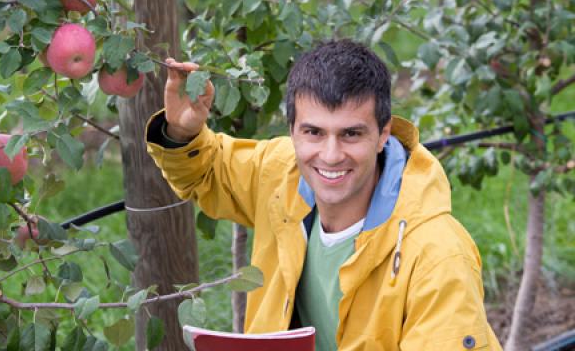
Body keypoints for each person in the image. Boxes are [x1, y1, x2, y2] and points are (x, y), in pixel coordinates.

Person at [145, 39, 502, 350]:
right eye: (314, 132)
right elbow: (207, 172)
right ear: (292, 131)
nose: (330, 156)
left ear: (383, 134)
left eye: (351, 134)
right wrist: (180, 130)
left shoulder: (437, 257)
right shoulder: (279, 173)